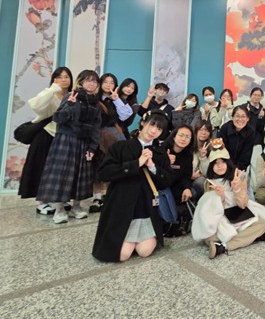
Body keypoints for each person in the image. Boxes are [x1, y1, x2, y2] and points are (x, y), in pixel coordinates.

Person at [92, 110, 173, 262]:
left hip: (146, 207)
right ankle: (128, 241)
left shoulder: (160, 152)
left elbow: (166, 181)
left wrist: (152, 167)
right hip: (121, 205)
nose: (154, 131)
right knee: (122, 255)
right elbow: (104, 173)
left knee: (144, 252)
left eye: (159, 129)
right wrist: (136, 163)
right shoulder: (121, 146)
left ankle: (139, 240)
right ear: (143, 123)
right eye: (152, 124)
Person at [37, 69, 102, 224]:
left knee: (81, 174)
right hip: (66, 139)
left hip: (84, 142)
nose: (91, 83)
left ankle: (76, 207)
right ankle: (59, 209)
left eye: (94, 81)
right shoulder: (71, 96)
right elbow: (58, 118)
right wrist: (70, 105)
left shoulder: (96, 103)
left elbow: (96, 127)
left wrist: (93, 147)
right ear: (81, 82)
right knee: (63, 174)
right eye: (88, 80)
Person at [191, 147, 265, 259]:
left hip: (237, 213)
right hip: (220, 217)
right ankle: (252, 238)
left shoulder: (238, 177)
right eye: (216, 163)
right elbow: (209, 209)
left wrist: (237, 189)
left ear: (228, 163)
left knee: (261, 224)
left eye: (223, 162)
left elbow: (243, 204)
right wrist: (221, 197)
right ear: (211, 166)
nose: (220, 166)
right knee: (208, 235)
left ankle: (224, 246)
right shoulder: (209, 182)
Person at [19, 66, 73, 215]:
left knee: (60, 169)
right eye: (59, 77)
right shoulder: (49, 93)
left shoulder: (72, 95)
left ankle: (59, 198)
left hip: (63, 137)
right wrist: (52, 89)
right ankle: (42, 203)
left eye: (66, 76)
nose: (63, 80)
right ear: (54, 79)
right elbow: (36, 106)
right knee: (42, 168)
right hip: (46, 134)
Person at [91, 73, 133, 213]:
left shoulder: (117, 99)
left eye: (112, 82)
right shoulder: (93, 98)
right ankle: (97, 197)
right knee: (97, 165)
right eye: (106, 82)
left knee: (112, 164)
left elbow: (125, 116)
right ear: (100, 83)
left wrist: (117, 100)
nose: (108, 85)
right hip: (96, 136)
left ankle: (108, 195)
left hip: (113, 136)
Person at [219, 106, 256, 174]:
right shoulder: (225, 128)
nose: (240, 119)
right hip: (224, 166)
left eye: (243, 116)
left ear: (248, 119)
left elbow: (247, 153)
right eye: (237, 116)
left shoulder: (250, 131)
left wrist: (237, 169)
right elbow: (222, 151)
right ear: (232, 117)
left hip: (240, 168)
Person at [191, 120, 213, 198]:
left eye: (206, 130)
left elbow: (207, 173)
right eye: (201, 130)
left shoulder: (212, 147)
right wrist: (189, 175)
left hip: (202, 178)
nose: (204, 133)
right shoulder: (189, 144)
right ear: (196, 131)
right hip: (187, 177)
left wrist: (203, 157)